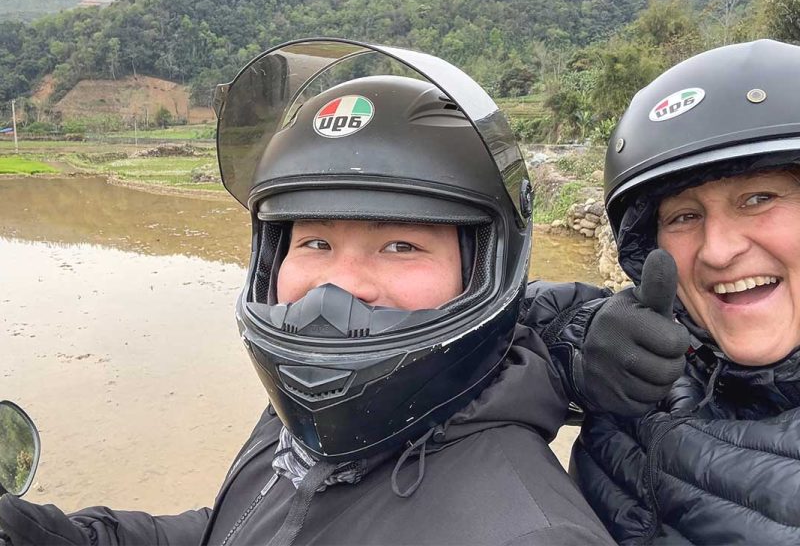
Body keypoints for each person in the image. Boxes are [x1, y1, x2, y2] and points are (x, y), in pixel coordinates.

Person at [0, 39, 617, 545]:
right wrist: (69, 539)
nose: (337, 288)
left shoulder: (528, 532)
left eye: (400, 246)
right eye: (315, 243)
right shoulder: (307, 418)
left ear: (488, 268)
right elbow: (240, 530)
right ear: (271, 256)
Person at [526, 38, 800, 544]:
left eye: (758, 198)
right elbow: (491, 323)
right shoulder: (670, 354)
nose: (717, 251)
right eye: (685, 216)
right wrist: (581, 346)